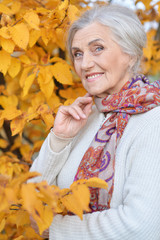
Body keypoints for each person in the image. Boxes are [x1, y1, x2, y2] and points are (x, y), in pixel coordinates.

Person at [29, 4, 160, 240]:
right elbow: (30, 200)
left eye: (97, 48)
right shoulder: (84, 117)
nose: (85, 64)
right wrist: (59, 139)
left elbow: (142, 227)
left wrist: (56, 229)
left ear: (130, 54)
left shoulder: (154, 121)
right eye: (78, 53)